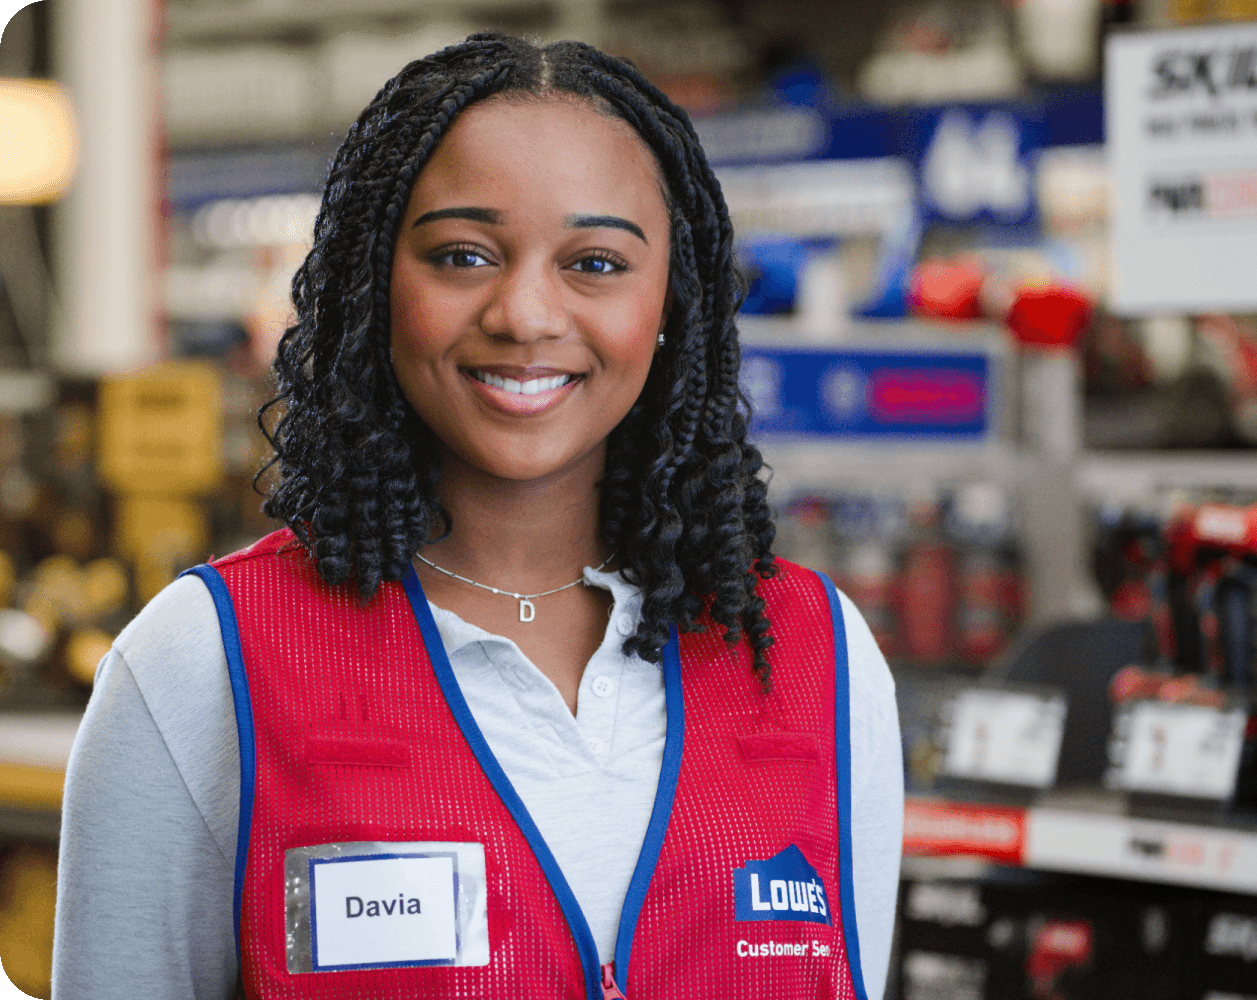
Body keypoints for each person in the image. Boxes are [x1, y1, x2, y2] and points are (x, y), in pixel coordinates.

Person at [52, 33, 901, 1000]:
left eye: (595, 261)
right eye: (462, 255)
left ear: (674, 301)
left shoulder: (816, 660)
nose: (526, 314)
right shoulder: (202, 669)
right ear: (378, 281)